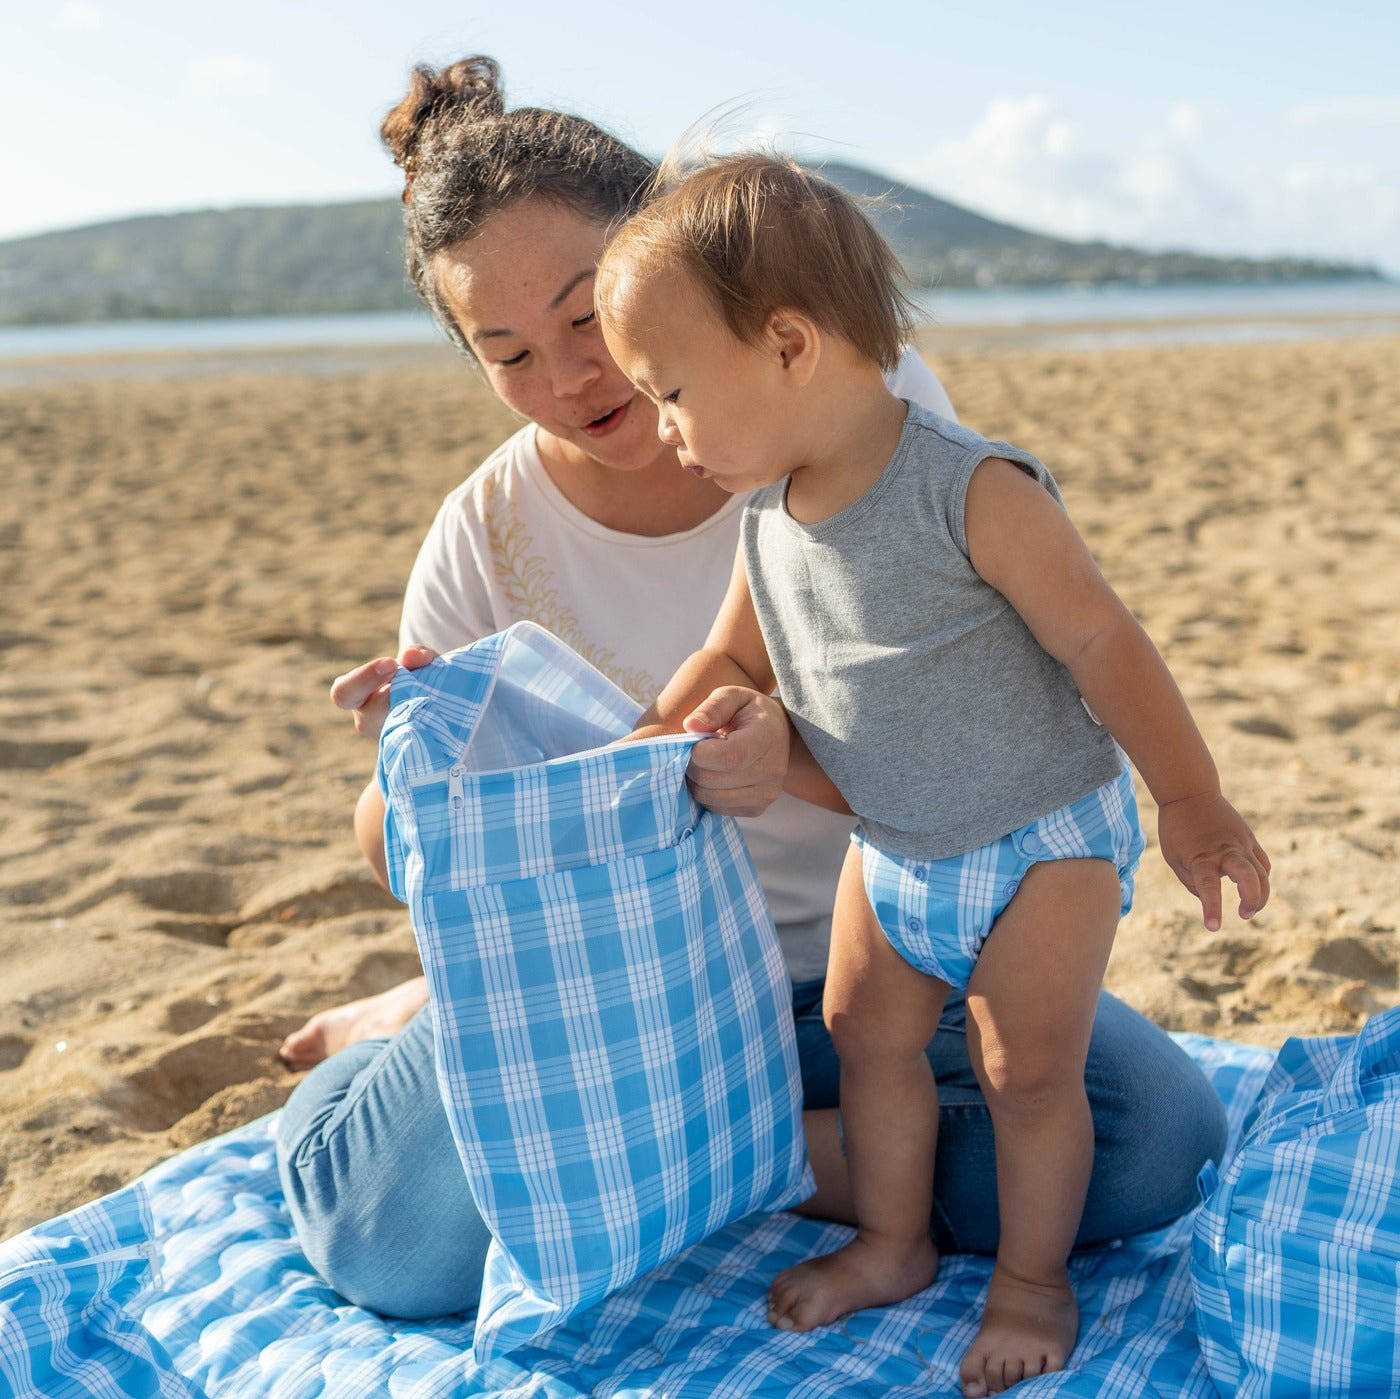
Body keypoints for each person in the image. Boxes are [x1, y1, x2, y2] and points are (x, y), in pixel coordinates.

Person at [274, 55, 1230, 1354]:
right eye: (508, 352)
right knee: (387, 1239)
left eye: (587, 314)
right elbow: (412, 842)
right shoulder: (485, 534)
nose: (576, 373)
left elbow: (989, 677)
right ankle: (415, 1032)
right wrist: (425, 756)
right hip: (629, 995)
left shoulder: (856, 431)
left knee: (1152, 1147)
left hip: (869, 963)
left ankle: (724, 1156)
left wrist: (792, 748)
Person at [593, 154, 1270, 1396]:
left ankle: (1027, 1281)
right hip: (896, 846)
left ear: (788, 342)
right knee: (867, 1039)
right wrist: (649, 729)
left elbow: (1100, 639)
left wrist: (1188, 796)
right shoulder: (766, 516)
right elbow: (729, 651)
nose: (662, 429)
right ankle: (895, 1243)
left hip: (1037, 843)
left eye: (674, 391)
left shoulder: (970, 488)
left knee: (1023, 1072)